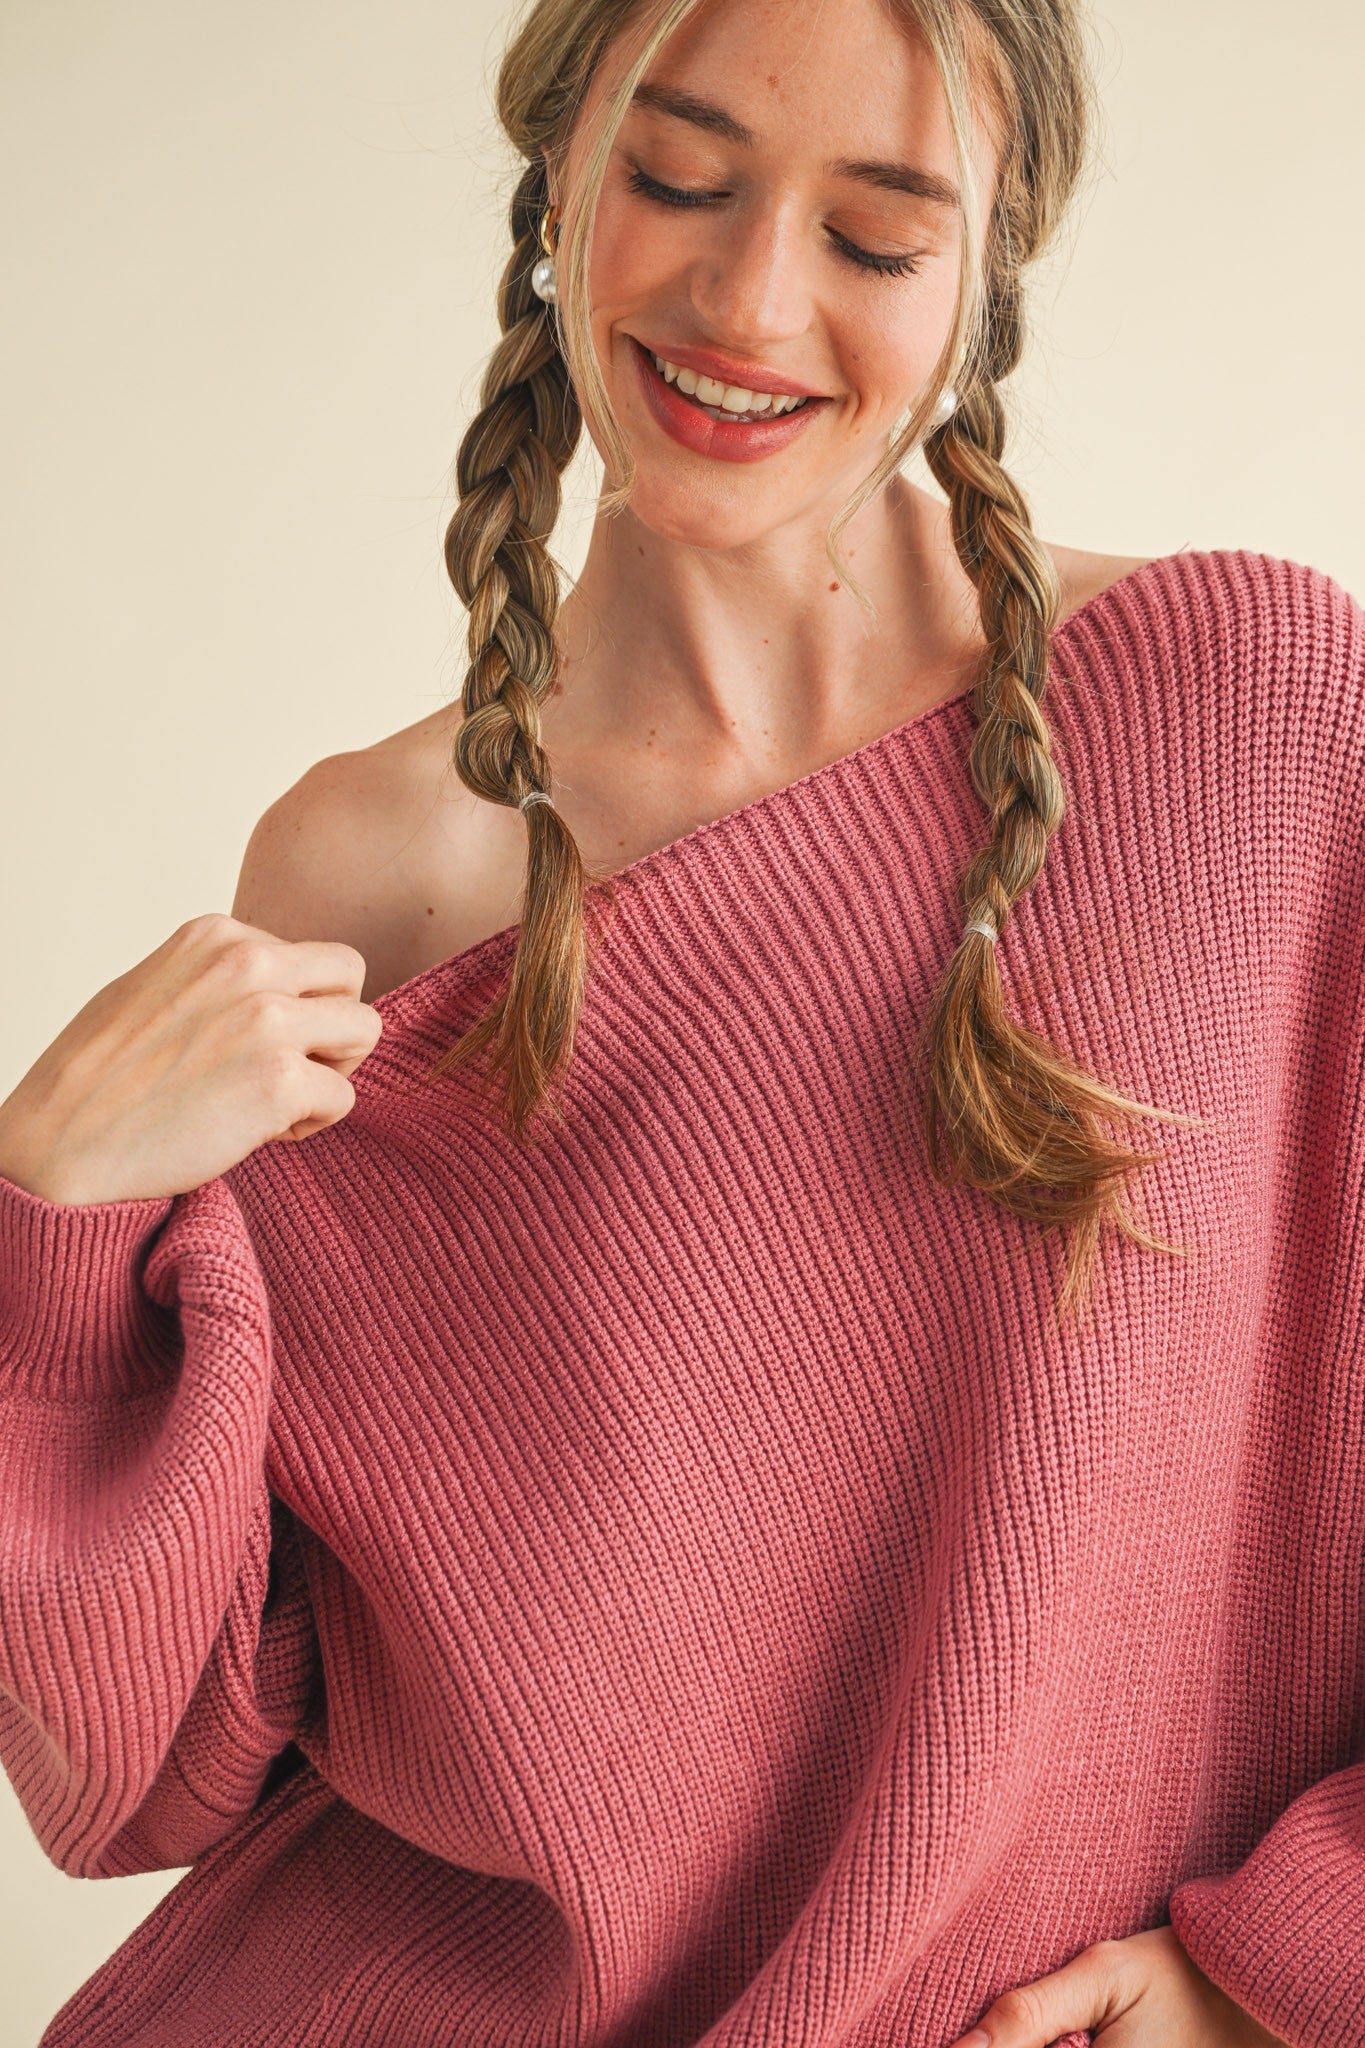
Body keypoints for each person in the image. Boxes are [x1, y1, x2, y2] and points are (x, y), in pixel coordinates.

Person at [0, 0, 1357, 2043]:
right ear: (559, 170)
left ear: (988, 268)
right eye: (679, 178)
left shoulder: (1250, 724)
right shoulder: (367, 874)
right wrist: (49, 1218)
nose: (748, 301)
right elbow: (150, 1769)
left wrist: (1280, 1972)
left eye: (874, 235)